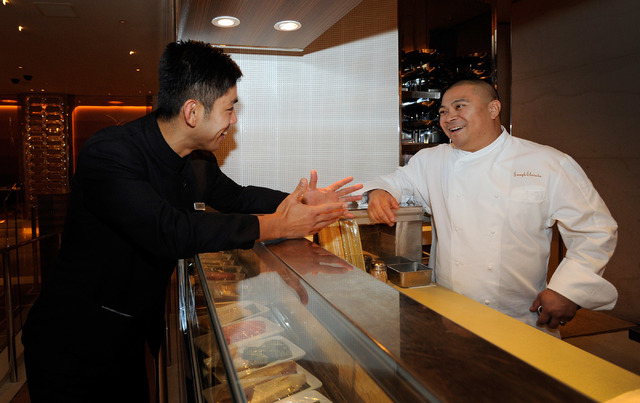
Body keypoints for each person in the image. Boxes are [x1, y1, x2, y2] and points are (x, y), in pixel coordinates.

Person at [22, 40, 362, 401]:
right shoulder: (110, 154)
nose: (233, 121)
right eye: (230, 109)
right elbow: (170, 231)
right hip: (73, 345)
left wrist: (303, 200)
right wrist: (277, 225)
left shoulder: (197, 160)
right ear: (192, 112)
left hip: (130, 337)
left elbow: (237, 198)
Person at [361, 79, 618, 334]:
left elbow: (595, 230)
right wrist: (380, 192)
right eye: (443, 111)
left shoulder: (548, 162)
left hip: (520, 319)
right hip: (448, 315)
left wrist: (567, 290)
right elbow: (394, 182)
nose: (449, 117)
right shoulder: (431, 160)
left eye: (459, 106)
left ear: (493, 109)